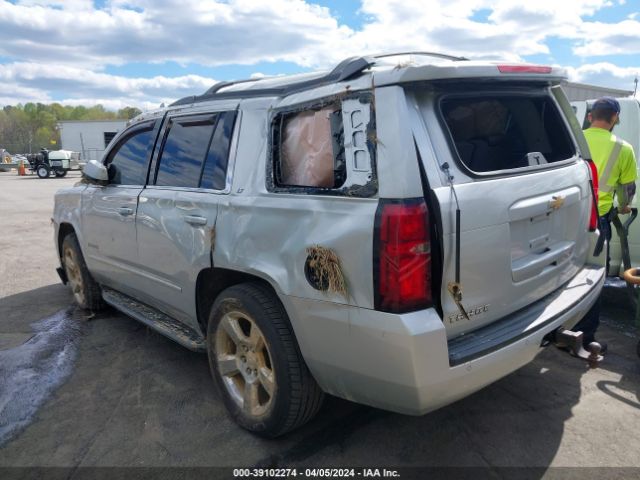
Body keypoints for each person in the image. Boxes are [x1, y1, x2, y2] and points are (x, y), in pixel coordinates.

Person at [573, 97, 637, 354]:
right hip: (597, 223)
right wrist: (623, 206)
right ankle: (586, 338)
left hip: (566, 217)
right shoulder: (623, 148)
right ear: (615, 120)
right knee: (593, 277)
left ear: (590, 116)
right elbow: (627, 188)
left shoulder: (574, 139)